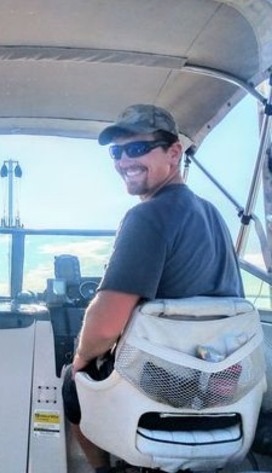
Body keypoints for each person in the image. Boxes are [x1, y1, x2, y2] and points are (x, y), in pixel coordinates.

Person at [61, 104, 244, 473]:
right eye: (117, 152)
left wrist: (81, 359)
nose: (124, 161)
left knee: (72, 380)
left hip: (160, 391)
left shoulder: (146, 217)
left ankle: (105, 471)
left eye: (137, 148)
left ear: (174, 153)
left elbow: (105, 325)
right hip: (220, 389)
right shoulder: (213, 215)